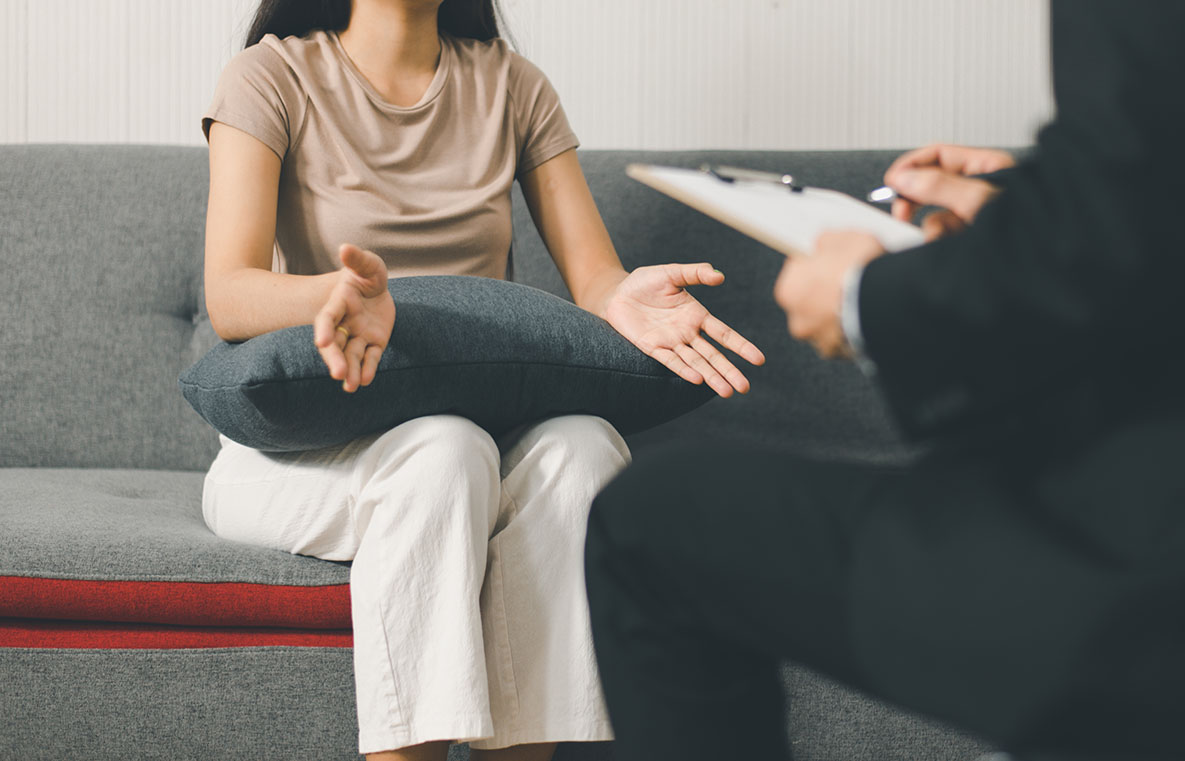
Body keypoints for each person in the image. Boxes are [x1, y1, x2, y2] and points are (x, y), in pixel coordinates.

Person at [583, 2, 1185, 760]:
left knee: (649, 527)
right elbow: (1151, 192)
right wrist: (1021, 198)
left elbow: (1114, 216)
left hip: (1151, 566)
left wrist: (863, 296)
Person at [198, 1, 765, 759]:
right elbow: (230, 293)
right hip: (309, 453)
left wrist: (619, 294)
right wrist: (330, 297)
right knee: (444, 448)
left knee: (584, 446)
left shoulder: (513, 85)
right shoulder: (271, 75)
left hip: (482, 447)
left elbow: (593, 277)